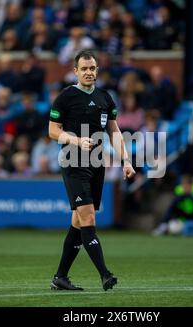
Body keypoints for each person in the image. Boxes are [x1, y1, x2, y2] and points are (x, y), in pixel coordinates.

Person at [48, 50, 135, 291]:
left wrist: (126, 160)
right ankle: (105, 274)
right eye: (84, 68)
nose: (89, 72)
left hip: (97, 164)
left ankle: (60, 277)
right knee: (88, 218)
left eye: (92, 68)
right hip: (73, 161)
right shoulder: (65, 98)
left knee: (78, 220)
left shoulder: (105, 98)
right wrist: (76, 141)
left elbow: (114, 132)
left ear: (97, 70)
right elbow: (53, 131)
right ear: (75, 71)